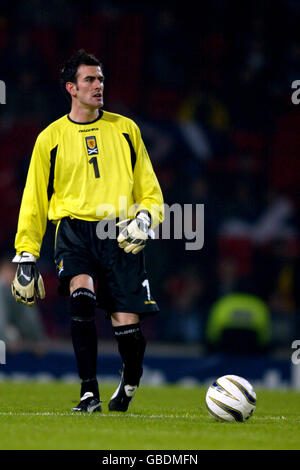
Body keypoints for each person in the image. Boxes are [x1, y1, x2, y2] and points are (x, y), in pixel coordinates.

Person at [11, 49, 164, 413]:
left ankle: (129, 380)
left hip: (120, 234)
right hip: (73, 231)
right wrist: (27, 253)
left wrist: (145, 219)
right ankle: (88, 392)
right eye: (90, 80)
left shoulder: (126, 129)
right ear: (71, 88)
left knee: (127, 327)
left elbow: (150, 191)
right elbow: (33, 198)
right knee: (81, 295)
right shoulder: (50, 138)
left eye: (101, 79)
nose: (99, 86)